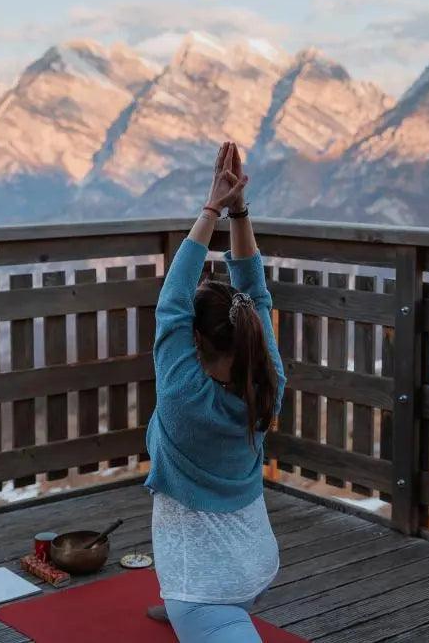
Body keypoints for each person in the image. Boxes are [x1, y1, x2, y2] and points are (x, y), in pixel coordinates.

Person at [142, 141, 287, 642]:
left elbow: (170, 304)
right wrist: (238, 211)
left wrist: (212, 207)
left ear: (195, 340)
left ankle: (190, 606)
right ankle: (185, 601)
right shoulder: (268, 380)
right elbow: (255, 291)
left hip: (204, 587)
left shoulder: (183, 397)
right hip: (257, 565)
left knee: (200, 609)